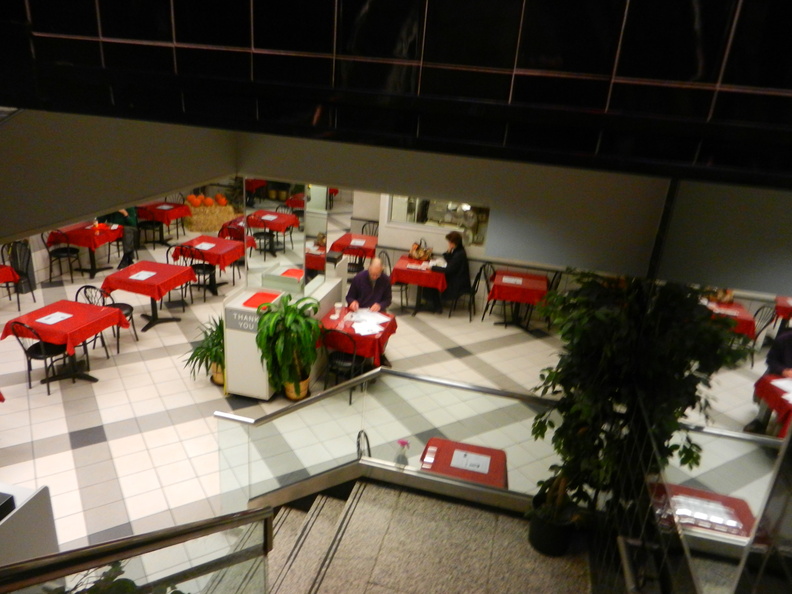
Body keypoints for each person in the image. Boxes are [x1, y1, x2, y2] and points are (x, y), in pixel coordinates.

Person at [744, 330, 792, 433]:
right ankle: (760, 421)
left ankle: (783, 430)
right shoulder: (784, 340)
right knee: (771, 390)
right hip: (779, 376)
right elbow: (771, 360)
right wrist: (784, 371)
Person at [425, 231, 471, 314]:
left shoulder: (459, 254)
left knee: (432, 282)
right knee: (432, 280)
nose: (448, 243)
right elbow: (450, 262)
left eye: (450, 242)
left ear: (454, 242)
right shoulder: (458, 250)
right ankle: (434, 304)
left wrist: (433, 268)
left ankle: (436, 306)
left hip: (457, 283)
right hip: (457, 278)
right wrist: (448, 252)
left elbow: (448, 269)